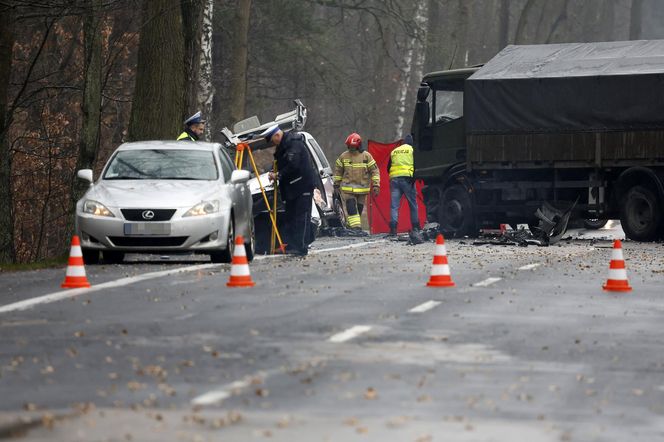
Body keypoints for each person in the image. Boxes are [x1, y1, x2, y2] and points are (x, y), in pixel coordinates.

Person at [263, 124, 316, 256]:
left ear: (277, 135)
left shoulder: (293, 144)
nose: (272, 143)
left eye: (272, 140)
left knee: (301, 217)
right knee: (292, 216)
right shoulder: (284, 146)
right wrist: (274, 171)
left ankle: (301, 247)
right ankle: (293, 245)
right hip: (293, 188)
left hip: (302, 185)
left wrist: (278, 175)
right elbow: (283, 162)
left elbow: (293, 164)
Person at [333, 132, 380, 230]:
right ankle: (356, 228)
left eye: (352, 147)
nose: (351, 149)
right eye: (349, 146)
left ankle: (351, 226)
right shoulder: (343, 156)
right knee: (351, 208)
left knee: (358, 210)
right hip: (348, 189)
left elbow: (375, 171)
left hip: (362, 190)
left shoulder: (366, 156)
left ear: (358, 146)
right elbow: (338, 171)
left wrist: (376, 185)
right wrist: (336, 185)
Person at [388, 134, 421, 239]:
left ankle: (393, 229)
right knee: (413, 204)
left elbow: (388, 167)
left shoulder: (394, 151)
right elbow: (417, 165)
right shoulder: (412, 150)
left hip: (395, 180)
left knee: (394, 206)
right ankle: (415, 227)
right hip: (407, 180)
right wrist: (414, 177)